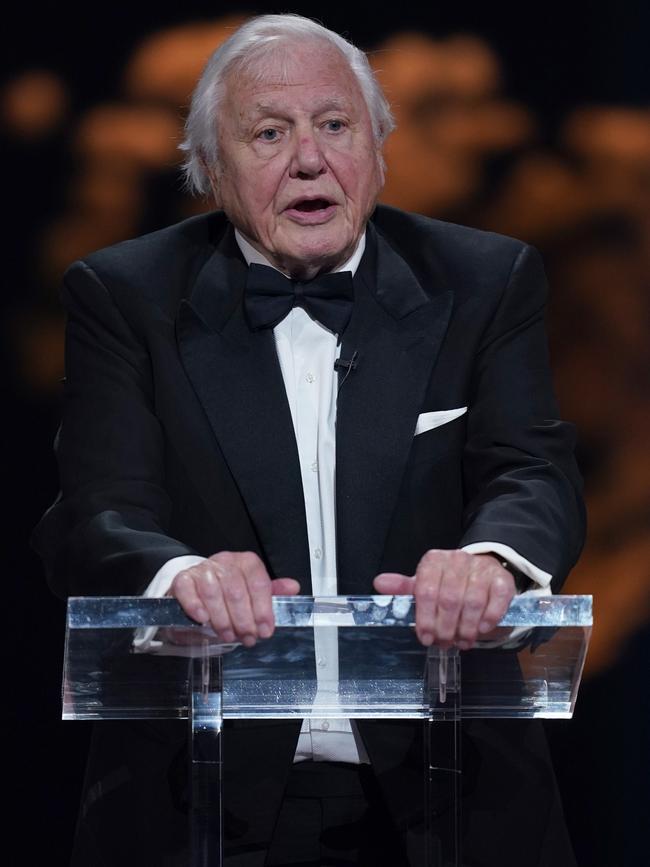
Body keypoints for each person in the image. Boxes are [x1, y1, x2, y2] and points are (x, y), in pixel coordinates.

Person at [34, 14, 585, 867]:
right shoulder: (124, 297)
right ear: (210, 170)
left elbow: (532, 471)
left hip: (450, 792)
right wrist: (184, 576)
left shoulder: (484, 280)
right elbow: (98, 513)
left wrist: (491, 560)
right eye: (268, 132)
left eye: (335, 125)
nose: (309, 158)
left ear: (378, 148)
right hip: (201, 795)